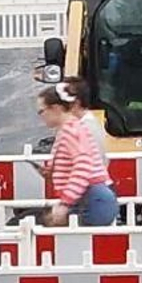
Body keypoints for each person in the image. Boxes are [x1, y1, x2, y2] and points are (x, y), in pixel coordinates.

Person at [37, 83, 117, 226]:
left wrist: (65, 202)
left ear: (55, 109)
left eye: (41, 111)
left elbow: (83, 165)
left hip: (89, 198)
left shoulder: (70, 131)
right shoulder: (75, 127)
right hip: (94, 196)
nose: (41, 117)